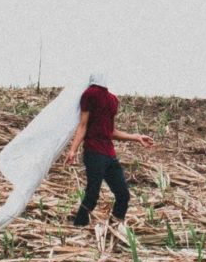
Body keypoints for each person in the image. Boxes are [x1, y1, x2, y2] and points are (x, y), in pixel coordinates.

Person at [63, 74, 153, 226]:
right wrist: (73, 150)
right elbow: (83, 125)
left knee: (123, 193)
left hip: (109, 155)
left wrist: (136, 137)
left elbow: (110, 132)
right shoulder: (90, 94)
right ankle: (79, 225)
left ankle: (115, 225)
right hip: (94, 152)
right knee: (93, 193)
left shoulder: (112, 99)